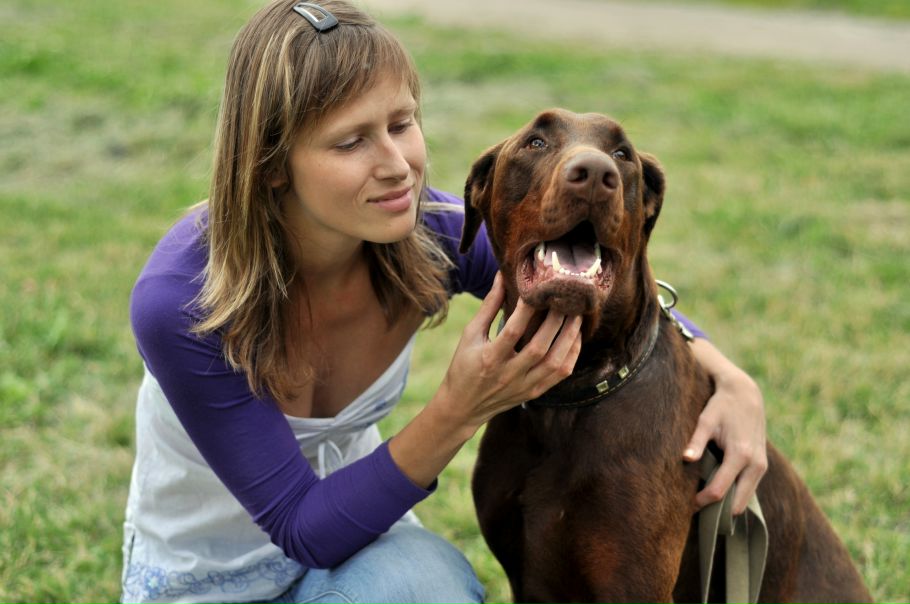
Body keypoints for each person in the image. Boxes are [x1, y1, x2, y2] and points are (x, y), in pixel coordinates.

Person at [120, 1, 768, 602]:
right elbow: (301, 527)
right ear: (269, 163)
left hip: (359, 552)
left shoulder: (422, 235)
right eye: (351, 142)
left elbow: (596, 280)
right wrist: (461, 407)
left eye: (401, 124)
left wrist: (727, 374)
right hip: (210, 579)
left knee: (428, 587)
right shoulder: (182, 302)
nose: (397, 165)